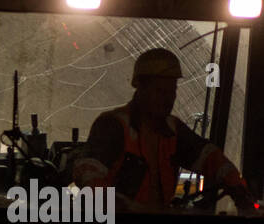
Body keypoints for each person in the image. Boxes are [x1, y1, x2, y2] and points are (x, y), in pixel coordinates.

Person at [73, 47, 256, 211]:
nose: (169, 99)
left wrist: (240, 192)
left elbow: (211, 159)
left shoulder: (173, 131)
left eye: (172, 91)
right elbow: (89, 173)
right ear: (140, 88)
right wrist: (125, 209)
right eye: (160, 91)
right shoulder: (113, 126)